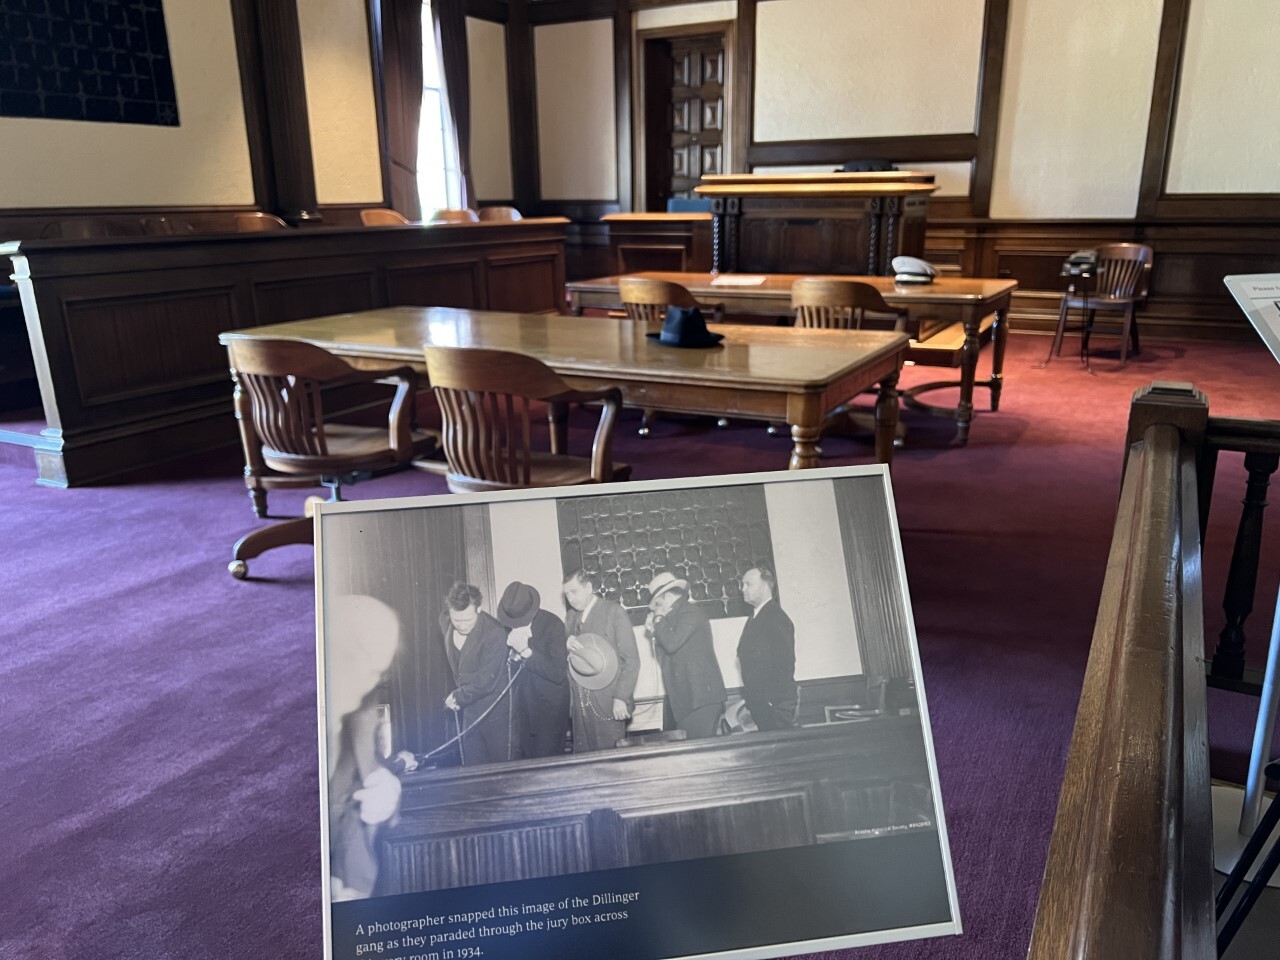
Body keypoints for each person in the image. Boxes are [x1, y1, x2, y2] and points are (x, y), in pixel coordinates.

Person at [325, 594, 404, 901]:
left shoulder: (360, 717)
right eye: (361, 663)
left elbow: (363, 786)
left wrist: (388, 796)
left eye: (377, 673)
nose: (367, 684)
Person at [563, 569, 640, 752]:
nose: (571, 599)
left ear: (588, 587)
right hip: (580, 705)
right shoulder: (571, 617)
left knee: (611, 761)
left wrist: (621, 698)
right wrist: (566, 642)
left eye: (574, 592)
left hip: (608, 701)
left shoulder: (613, 612)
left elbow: (632, 660)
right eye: (567, 595)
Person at [645, 571, 726, 739]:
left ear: (667, 596)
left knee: (698, 754)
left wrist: (658, 620)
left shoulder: (690, 612)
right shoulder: (675, 618)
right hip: (688, 700)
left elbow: (671, 644)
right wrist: (654, 632)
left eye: (657, 604)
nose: (655, 610)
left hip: (700, 700)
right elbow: (666, 657)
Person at [440, 582, 512, 765]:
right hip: (469, 710)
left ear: (479, 609)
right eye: (457, 620)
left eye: (467, 620)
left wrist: (457, 697)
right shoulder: (445, 620)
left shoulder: (495, 632)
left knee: (500, 771)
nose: (462, 625)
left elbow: (486, 682)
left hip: (495, 712)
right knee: (472, 768)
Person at [496, 581, 570, 759]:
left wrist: (525, 652)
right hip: (523, 710)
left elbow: (557, 673)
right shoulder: (508, 629)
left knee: (548, 764)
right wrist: (513, 659)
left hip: (549, 711)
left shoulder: (553, 626)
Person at [736, 565, 797, 731]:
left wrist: (770, 700)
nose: (743, 589)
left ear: (764, 586)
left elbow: (784, 665)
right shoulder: (755, 617)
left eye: (748, 584)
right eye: (742, 584)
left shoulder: (776, 618)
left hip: (775, 705)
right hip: (762, 703)